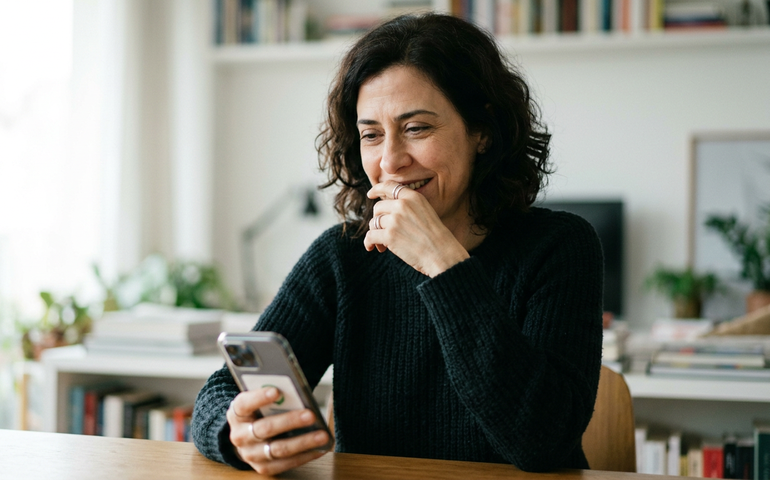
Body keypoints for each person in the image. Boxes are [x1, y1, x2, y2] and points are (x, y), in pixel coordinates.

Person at [192, 13, 604, 476]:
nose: (390, 160)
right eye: (371, 135)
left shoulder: (561, 247)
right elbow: (219, 394)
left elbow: (541, 443)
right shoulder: (342, 256)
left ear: (482, 131)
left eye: (417, 128)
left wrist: (443, 263)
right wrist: (236, 432)